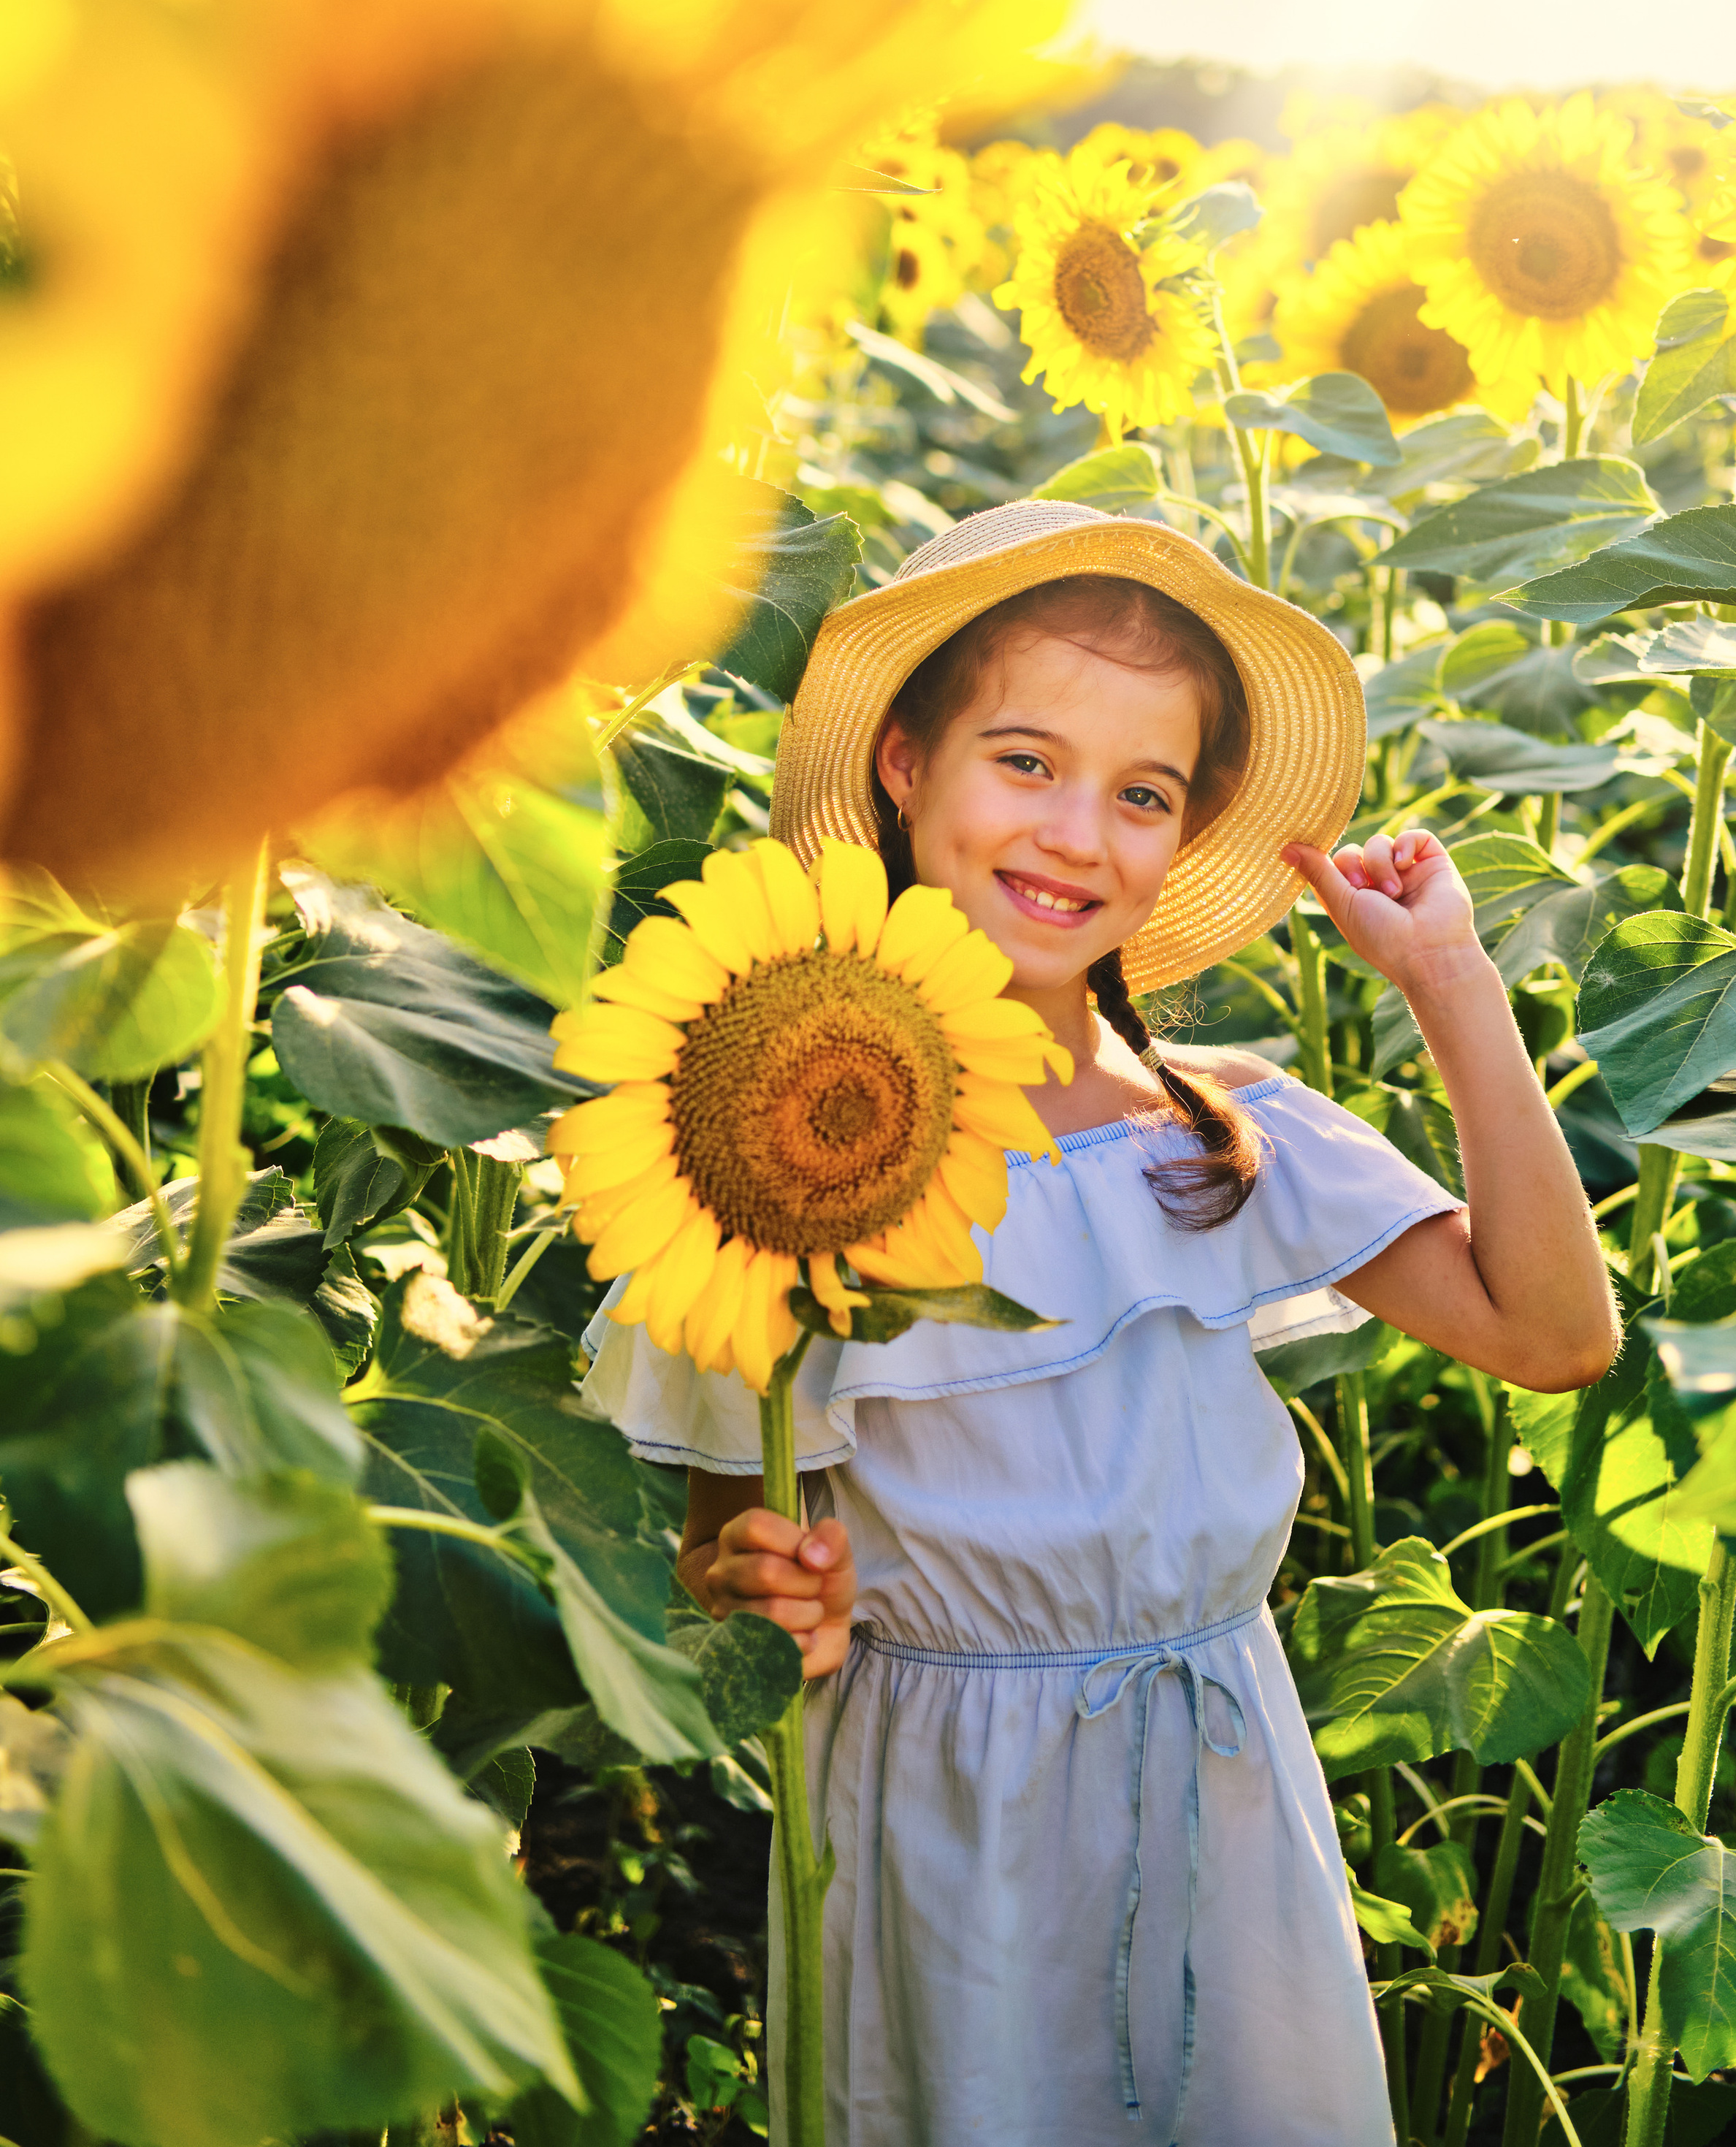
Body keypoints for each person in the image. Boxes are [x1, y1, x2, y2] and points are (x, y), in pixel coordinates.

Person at [581, 497, 1618, 2147]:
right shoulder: (777, 1141)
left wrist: (1449, 984)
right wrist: (764, 1586)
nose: (1078, 834)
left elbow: (1553, 1333)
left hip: (1221, 1790)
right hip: (944, 1820)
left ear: (1183, 837)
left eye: (1141, 794)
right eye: (1024, 761)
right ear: (905, 767)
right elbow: (727, 1546)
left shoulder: (1216, 1130)